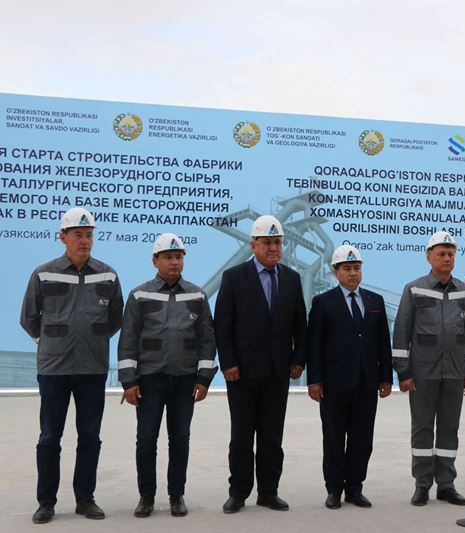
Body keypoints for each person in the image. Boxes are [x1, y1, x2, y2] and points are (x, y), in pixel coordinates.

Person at [20, 207, 123, 524]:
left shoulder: (107, 274)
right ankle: (46, 502)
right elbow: (29, 318)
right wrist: (54, 342)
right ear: (62, 237)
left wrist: (90, 341)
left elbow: (115, 319)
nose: (84, 240)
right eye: (78, 235)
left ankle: (85, 499)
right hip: (54, 370)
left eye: (89, 235)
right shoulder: (44, 273)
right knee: (50, 437)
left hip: (92, 369)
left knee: (90, 436)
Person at [118, 233, 218, 517]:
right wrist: (129, 381)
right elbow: (128, 340)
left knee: (180, 439)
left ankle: (177, 495)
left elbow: (206, 340)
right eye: (168, 257)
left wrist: (203, 378)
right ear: (155, 260)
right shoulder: (139, 295)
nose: (175, 262)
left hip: (184, 380)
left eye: (179, 257)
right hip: (149, 380)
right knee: (146, 439)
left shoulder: (197, 296)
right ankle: (146, 496)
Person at [214, 215, 307, 513]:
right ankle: (238, 492)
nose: (273, 248)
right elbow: (223, 325)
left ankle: (268, 492)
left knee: (271, 437)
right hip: (241, 372)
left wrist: (298, 359)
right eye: (267, 242)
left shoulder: (292, 278)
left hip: (277, 372)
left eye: (277, 242)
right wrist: (228, 362)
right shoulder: (233, 277)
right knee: (241, 436)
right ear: (253, 244)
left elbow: (299, 326)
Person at [392, 231, 465, 507]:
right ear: (429, 256)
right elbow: (402, 332)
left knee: (449, 430)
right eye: (441, 253)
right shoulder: (414, 289)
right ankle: (422, 484)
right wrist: (403, 373)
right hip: (423, 373)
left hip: (454, 373)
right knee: (422, 430)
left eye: (451, 253)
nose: (447, 258)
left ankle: (446, 485)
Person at [306, 245, 392, 509]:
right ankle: (334, 489)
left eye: (356, 268)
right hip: (334, 384)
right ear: (336, 272)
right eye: (347, 268)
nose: (353, 273)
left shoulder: (375, 302)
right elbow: (315, 345)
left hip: (366, 384)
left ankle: (355, 488)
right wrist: (314, 380)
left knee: (362, 439)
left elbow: (382, 343)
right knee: (333, 438)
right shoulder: (323, 303)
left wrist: (386, 378)